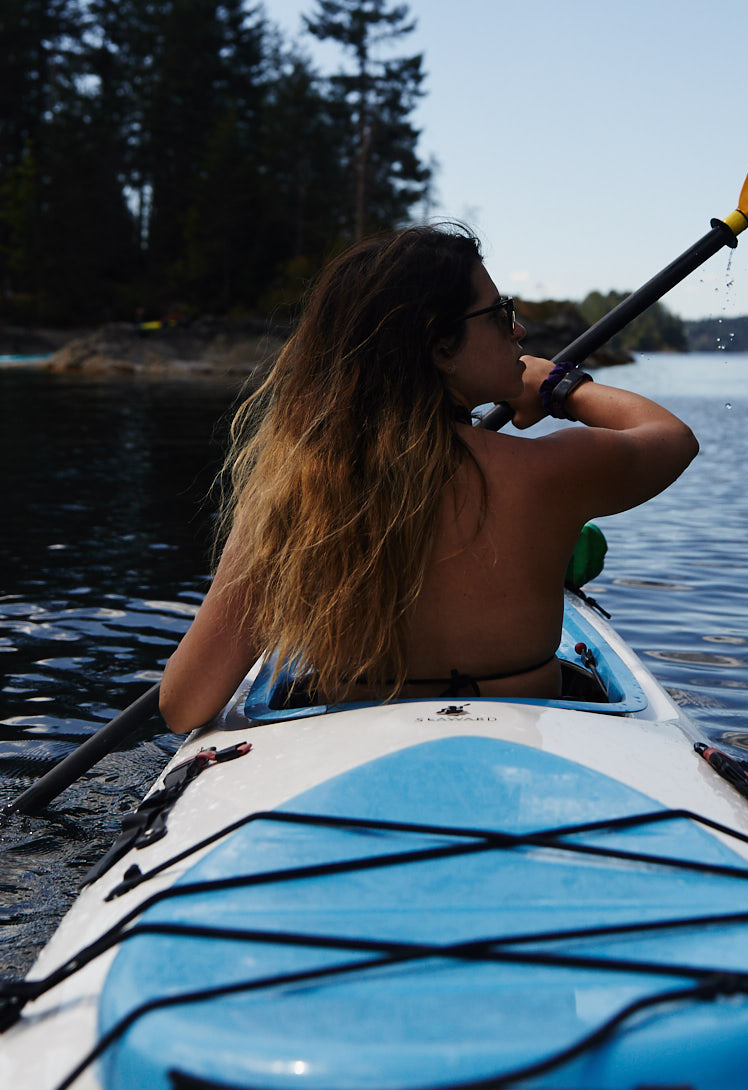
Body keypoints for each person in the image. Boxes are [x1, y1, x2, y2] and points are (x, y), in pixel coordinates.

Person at [157, 223, 699, 732]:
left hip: (350, 757)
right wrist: (561, 386)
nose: (519, 331)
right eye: (499, 314)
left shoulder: (295, 493)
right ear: (441, 347)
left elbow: (185, 705)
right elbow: (671, 437)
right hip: (523, 746)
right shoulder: (548, 472)